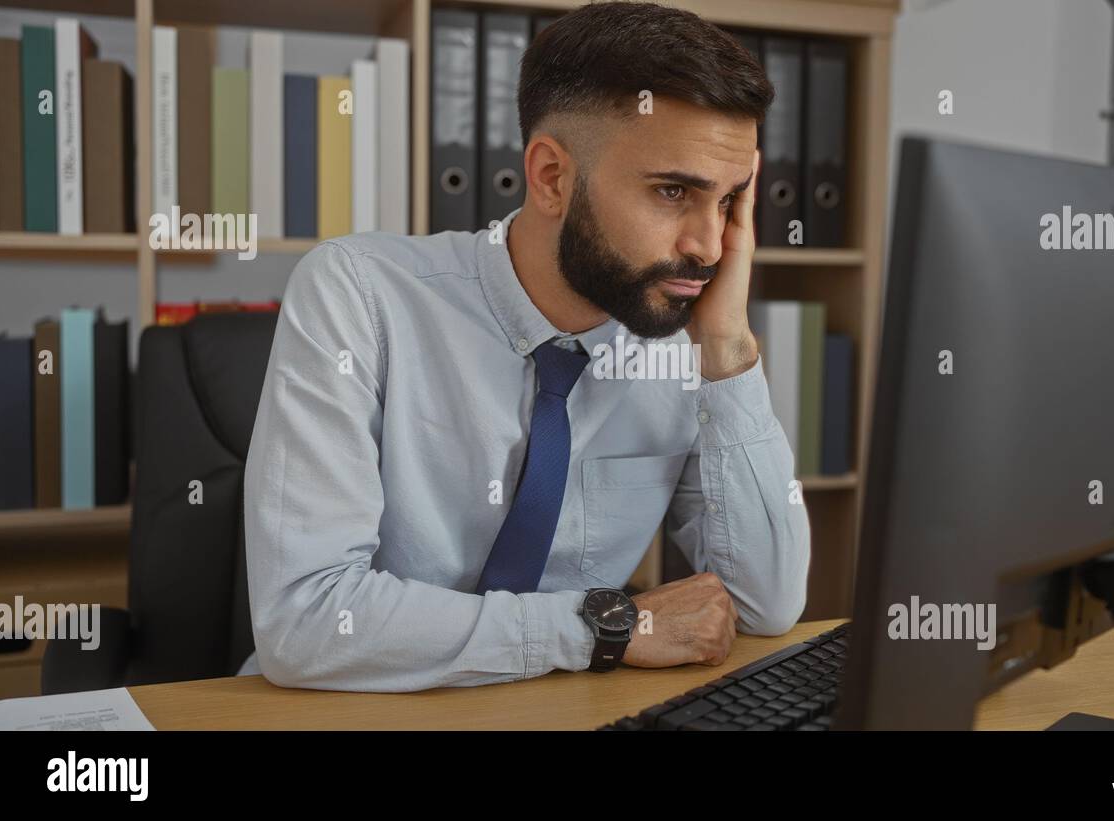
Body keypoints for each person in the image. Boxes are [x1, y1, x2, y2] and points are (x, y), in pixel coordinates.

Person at [239, 1, 811, 691]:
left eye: (728, 201)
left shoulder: (680, 335)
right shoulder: (359, 294)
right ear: (551, 177)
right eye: (672, 191)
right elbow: (306, 623)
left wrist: (727, 351)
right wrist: (602, 627)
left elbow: (767, 604)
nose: (709, 245)